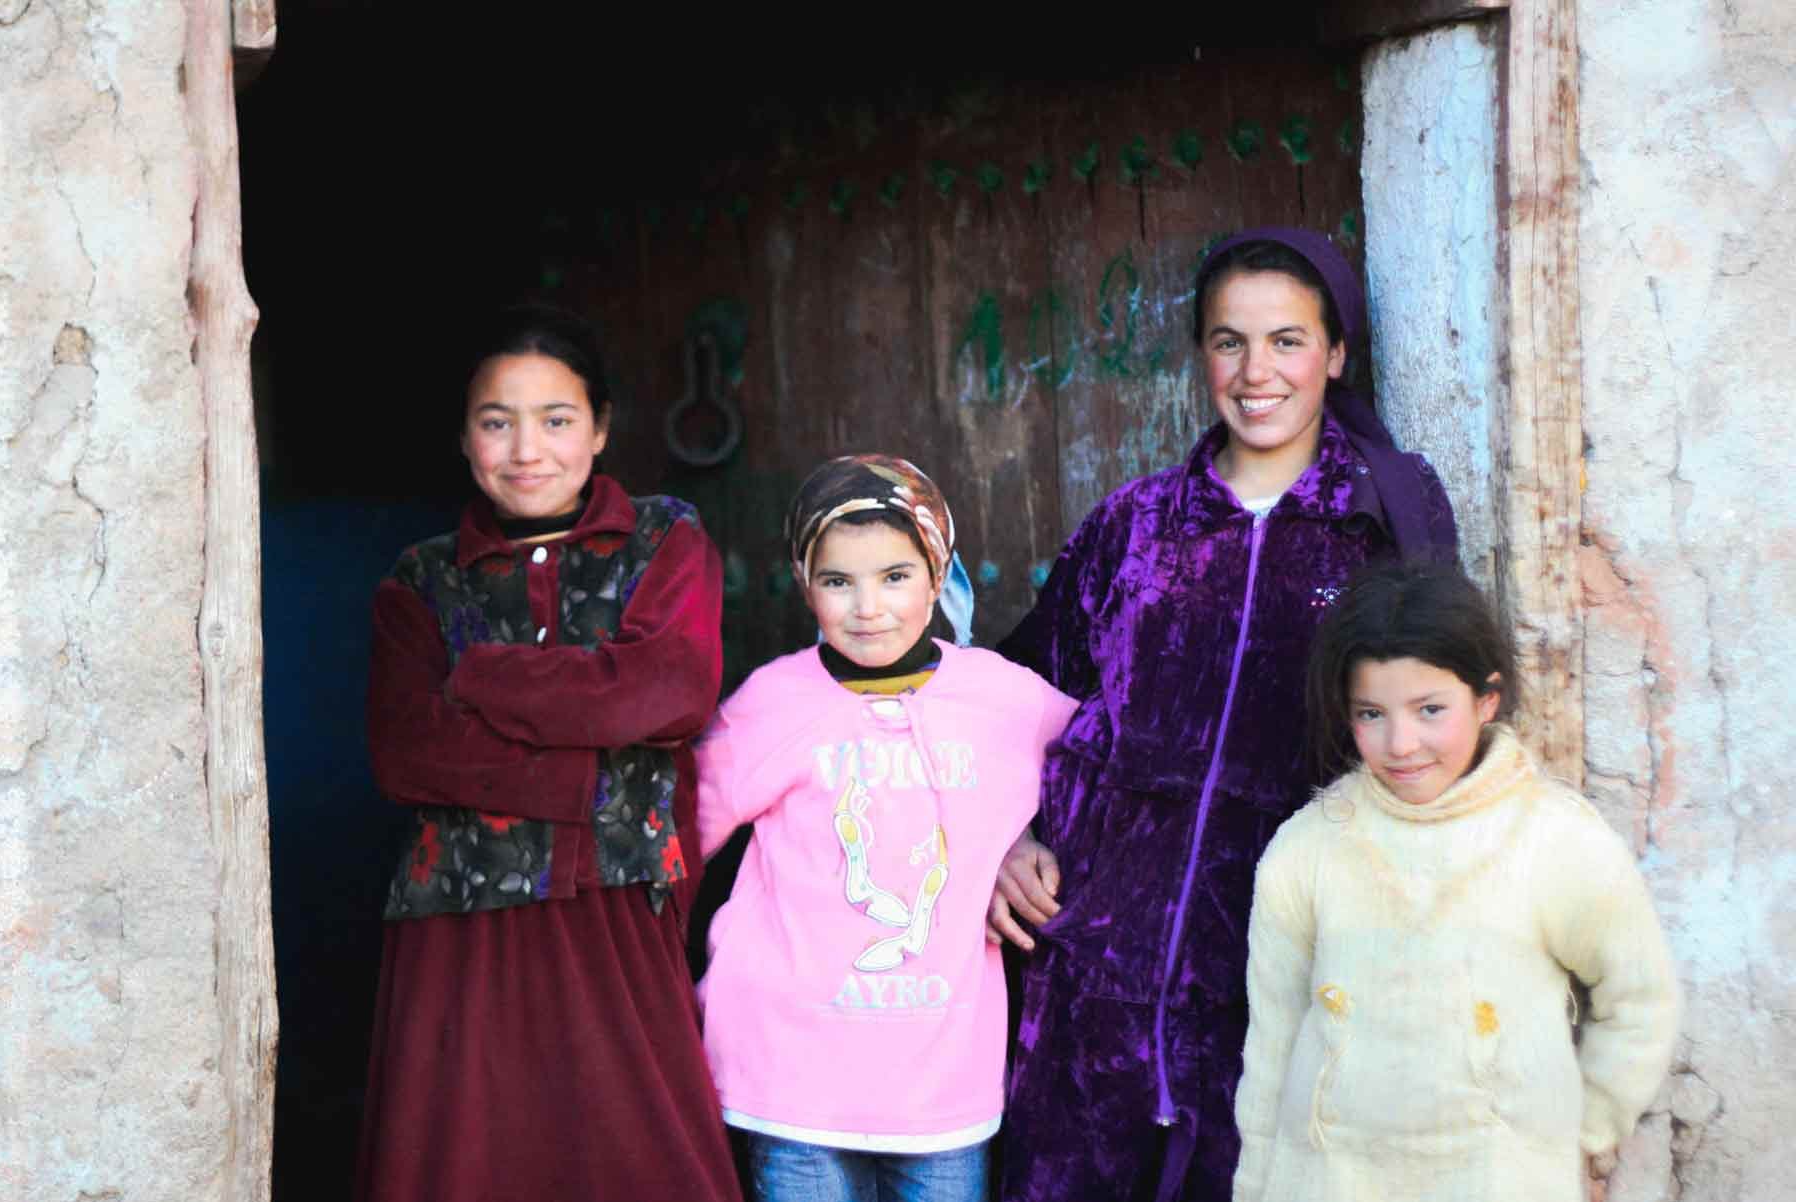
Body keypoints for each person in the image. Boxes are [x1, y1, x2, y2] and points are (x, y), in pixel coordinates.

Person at [988, 227, 1457, 1202]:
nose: (1257, 372)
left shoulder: (1386, 529)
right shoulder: (1133, 524)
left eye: (1287, 341)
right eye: (1229, 341)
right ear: (1203, 353)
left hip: (1283, 979)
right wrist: (1004, 835)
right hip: (1091, 977)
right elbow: (1011, 698)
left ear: (1334, 354)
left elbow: (1439, 735)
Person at [354, 305, 741, 1202]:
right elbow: (407, 753)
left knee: (641, 1152)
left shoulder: (664, 539)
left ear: (600, 428)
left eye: (557, 420)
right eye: (497, 421)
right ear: (463, 437)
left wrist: (483, 676)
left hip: (617, 901)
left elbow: (671, 691)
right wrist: (587, 759)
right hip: (458, 916)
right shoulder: (420, 579)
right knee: (465, 1154)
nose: (527, 448)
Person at [695, 455, 1078, 1202]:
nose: (868, 606)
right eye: (838, 581)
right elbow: (676, 835)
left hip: (941, 1089)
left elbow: (1096, 775)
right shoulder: (773, 702)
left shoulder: (1003, 699)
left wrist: (1032, 838)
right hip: (791, 1081)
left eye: (895, 577)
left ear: (938, 578)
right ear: (806, 586)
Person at [1233, 562, 1679, 1200]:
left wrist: (1580, 1132)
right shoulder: (1308, 849)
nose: (1402, 742)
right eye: (1371, 714)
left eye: (1430, 709)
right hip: (1331, 1178)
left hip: (1496, 1178)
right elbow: (1272, 1040)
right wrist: (1257, 1185)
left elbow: (1641, 999)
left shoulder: (1554, 840)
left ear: (1487, 698)